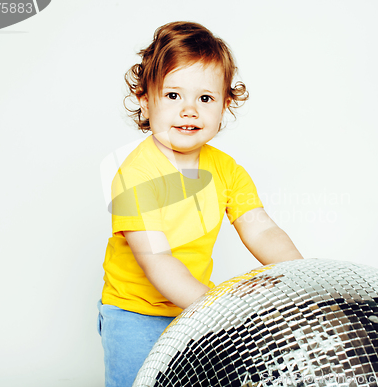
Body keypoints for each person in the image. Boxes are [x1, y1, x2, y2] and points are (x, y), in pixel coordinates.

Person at [98, 21, 304, 387]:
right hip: (135, 314)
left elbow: (261, 228)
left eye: (205, 98)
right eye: (173, 96)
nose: (189, 110)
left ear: (225, 105)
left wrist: (301, 276)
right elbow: (156, 259)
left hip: (193, 309)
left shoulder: (226, 170)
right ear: (145, 99)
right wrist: (215, 305)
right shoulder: (135, 175)